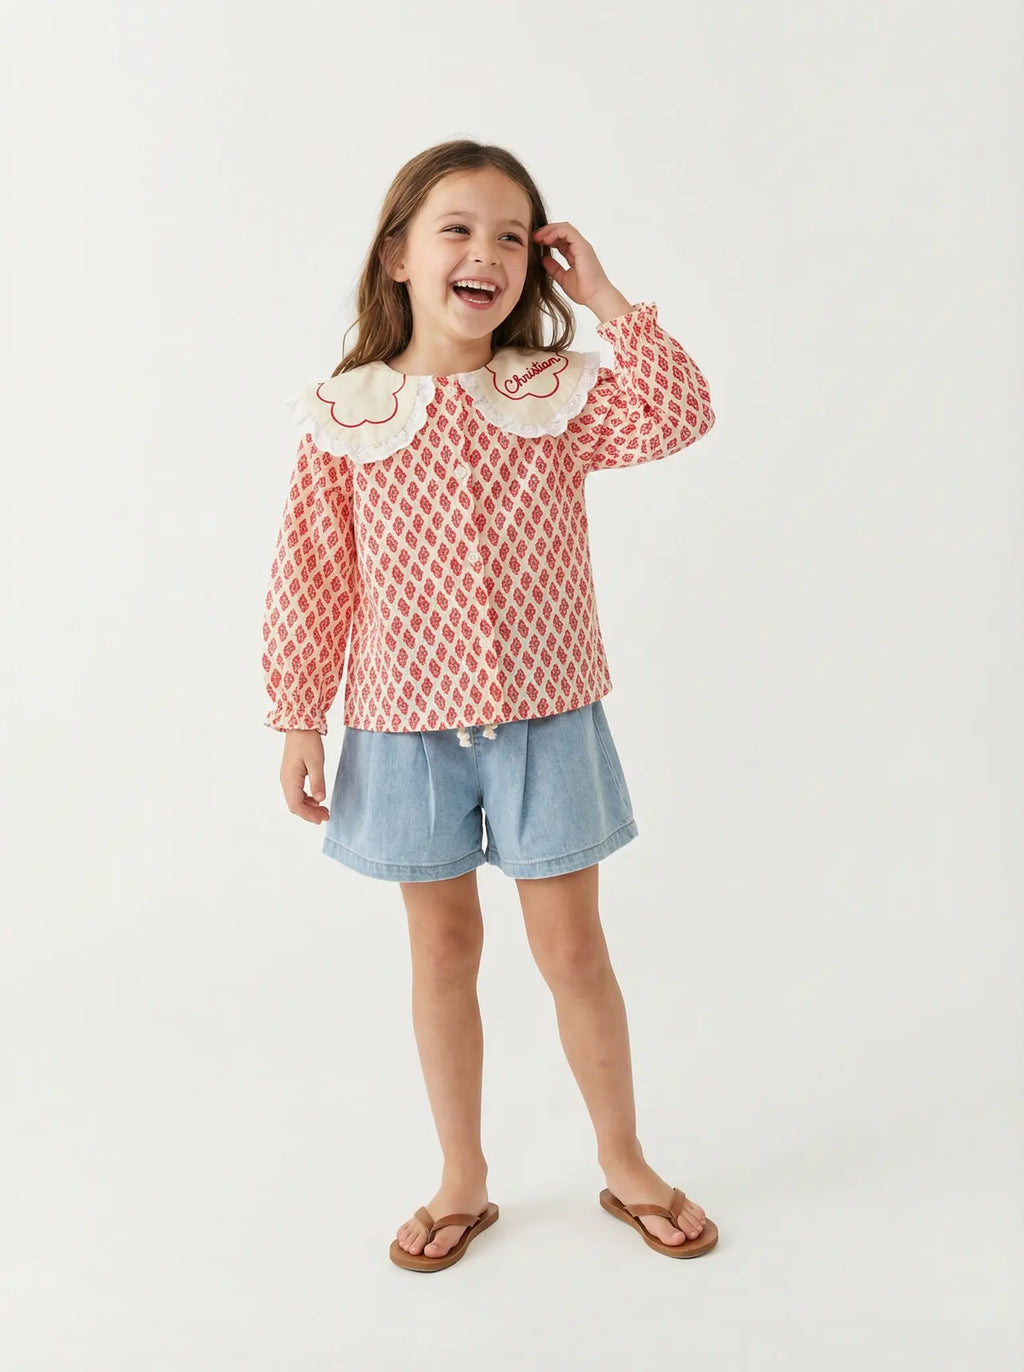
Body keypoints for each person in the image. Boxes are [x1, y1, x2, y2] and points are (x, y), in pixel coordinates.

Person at [262, 139, 719, 1271]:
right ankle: (462, 1176)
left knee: (572, 951)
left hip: (550, 717)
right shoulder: (347, 411)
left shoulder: (550, 393)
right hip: (403, 727)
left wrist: (605, 298)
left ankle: (623, 1162)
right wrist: (298, 715)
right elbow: (314, 570)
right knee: (441, 952)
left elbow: (681, 412)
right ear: (399, 256)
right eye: (458, 228)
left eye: (513, 234)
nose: (488, 252)